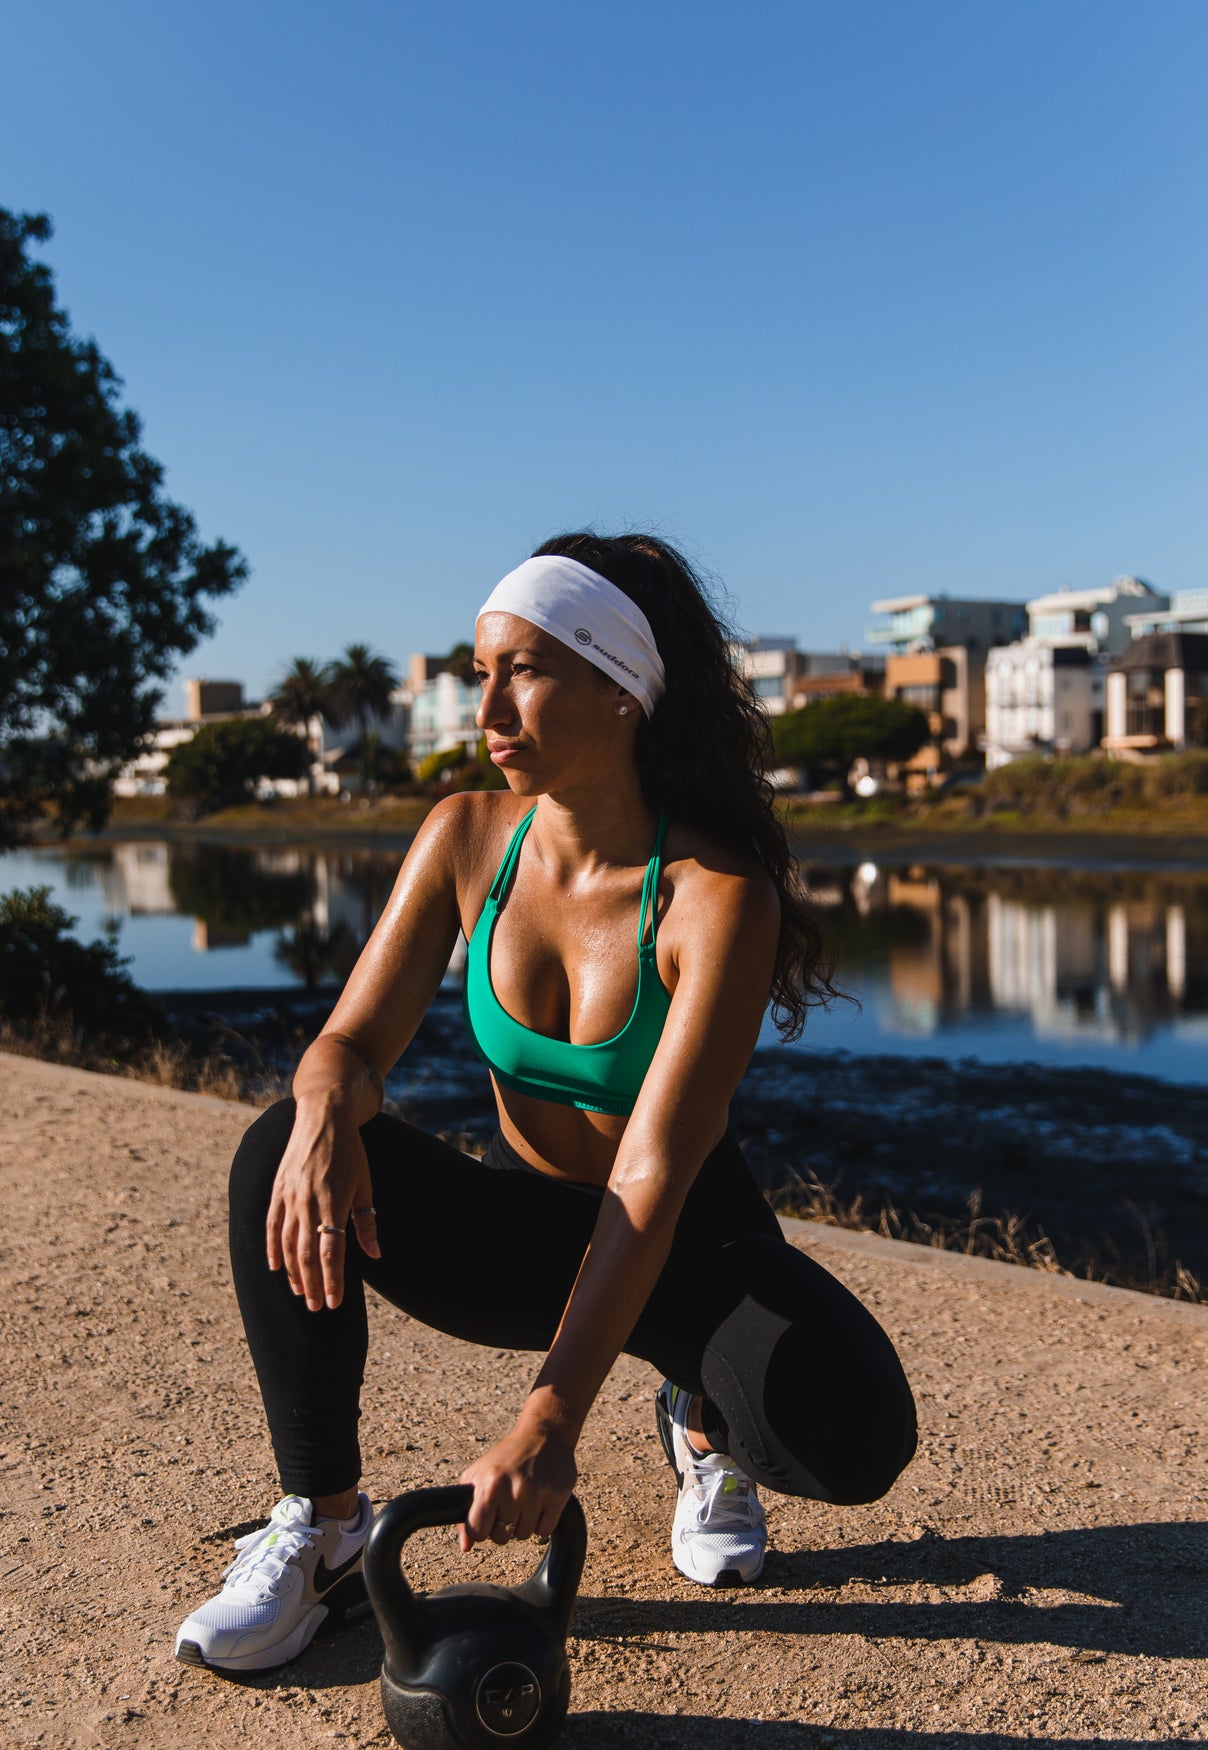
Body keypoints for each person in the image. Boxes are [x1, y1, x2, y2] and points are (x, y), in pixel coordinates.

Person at [174, 534, 917, 1674]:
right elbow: (348, 1043)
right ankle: (323, 1528)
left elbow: (652, 1173)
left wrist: (549, 1419)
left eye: (523, 668)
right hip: (529, 1234)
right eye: (480, 671)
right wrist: (327, 1105)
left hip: (680, 1239)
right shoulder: (465, 836)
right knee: (279, 1145)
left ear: (621, 688)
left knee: (855, 1434)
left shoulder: (715, 897)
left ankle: (697, 1417)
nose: (489, 704)